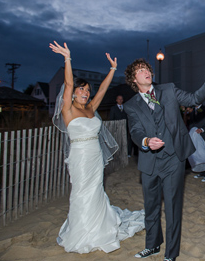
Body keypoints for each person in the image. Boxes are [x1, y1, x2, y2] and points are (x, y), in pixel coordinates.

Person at [123, 57, 205, 261]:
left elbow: (194, 99)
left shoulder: (168, 89)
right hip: (149, 162)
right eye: (141, 70)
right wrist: (145, 141)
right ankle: (152, 245)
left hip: (173, 159)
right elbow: (135, 130)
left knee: (172, 206)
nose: (147, 72)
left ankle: (170, 254)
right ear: (133, 79)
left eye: (147, 69)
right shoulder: (131, 105)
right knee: (151, 207)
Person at [49, 41, 145, 253]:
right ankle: (82, 230)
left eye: (87, 90)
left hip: (95, 156)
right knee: (81, 192)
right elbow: (67, 81)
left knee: (96, 191)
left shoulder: (91, 108)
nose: (85, 92)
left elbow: (102, 88)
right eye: (81, 89)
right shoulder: (68, 110)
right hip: (80, 158)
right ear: (73, 93)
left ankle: (99, 226)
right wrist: (67, 58)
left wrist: (112, 69)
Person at [190, 104, 205, 182]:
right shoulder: (193, 110)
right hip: (196, 136)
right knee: (198, 154)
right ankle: (202, 172)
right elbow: (191, 122)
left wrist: (202, 129)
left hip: (204, 135)